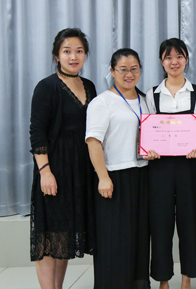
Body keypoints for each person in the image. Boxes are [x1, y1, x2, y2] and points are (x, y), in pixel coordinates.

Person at [29, 28, 97, 289]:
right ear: (57, 56)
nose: (73, 56)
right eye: (67, 51)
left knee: (64, 236)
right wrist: (45, 171)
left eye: (79, 51)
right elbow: (37, 133)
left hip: (80, 170)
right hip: (55, 168)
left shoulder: (89, 86)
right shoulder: (46, 87)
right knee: (49, 236)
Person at [144, 39, 196, 289]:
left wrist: (195, 143)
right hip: (159, 168)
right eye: (168, 57)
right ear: (162, 62)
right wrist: (148, 149)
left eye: (179, 56)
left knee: (188, 223)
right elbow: (148, 129)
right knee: (160, 223)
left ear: (186, 60)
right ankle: (163, 280)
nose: (174, 62)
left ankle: (186, 279)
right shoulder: (152, 94)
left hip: (188, 166)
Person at [86, 48, 151, 289]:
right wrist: (103, 177)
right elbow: (93, 141)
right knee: (114, 239)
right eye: (123, 69)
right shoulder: (102, 102)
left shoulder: (146, 100)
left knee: (139, 237)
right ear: (112, 71)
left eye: (134, 69)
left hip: (142, 174)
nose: (129, 74)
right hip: (113, 176)